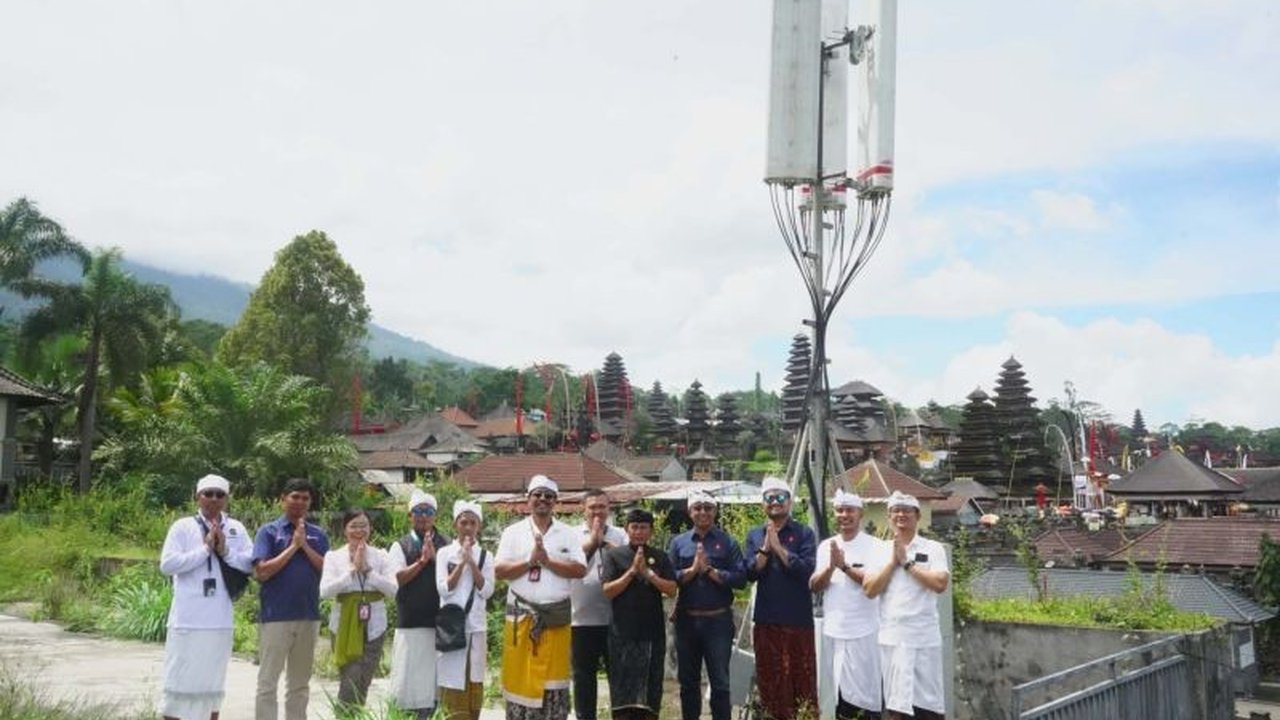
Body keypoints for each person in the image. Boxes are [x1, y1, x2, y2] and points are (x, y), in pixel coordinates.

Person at [158, 474, 253, 720]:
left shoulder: (236, 528)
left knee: (213, 684)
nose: (213, 498)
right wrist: (205, 550)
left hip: (219, 621)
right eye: (208, 493)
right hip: (187, 620)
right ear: (197, 497)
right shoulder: (183, 526)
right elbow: (167, 565)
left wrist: (225, 550)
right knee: (178, 680)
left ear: (226, 498)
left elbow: (250, 563)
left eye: (219, 494)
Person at [494, 475, 588, 720]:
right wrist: (530, 561)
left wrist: (547, 561)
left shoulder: (568, 533)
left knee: (553, 681)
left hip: (556, 619)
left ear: (556, 501)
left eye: (548, 495)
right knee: (520, 680)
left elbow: (580, 569)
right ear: (528, 499)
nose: (543, 499)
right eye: (537, 494)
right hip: (521, 620)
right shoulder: (513, 532)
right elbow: (499, 571)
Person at [863, 492, 950, 720]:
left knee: (929, 704)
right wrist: (892, 563)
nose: (901, 514)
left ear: (917, 516)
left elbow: (940, 584)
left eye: (907, 510)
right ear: (889, 516)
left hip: (923, 637)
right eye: (896, 510)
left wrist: (907, 563)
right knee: (897, 705)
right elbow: (869, 590)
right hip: (893, 637)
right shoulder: (879, 550)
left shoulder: (932, 548)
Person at [253, 477, 329, 720]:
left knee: (300, 684)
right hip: (276, 617)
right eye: (295, 496)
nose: (300, 502)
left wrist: (304, 546)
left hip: (308, 616)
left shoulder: (318, 535)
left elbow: (328, 571)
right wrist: (293, 547)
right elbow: (262, 572)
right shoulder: (268, 532)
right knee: (268, 682)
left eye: (305, 498)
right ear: (282, 499)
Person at [667, 490, 746, 720]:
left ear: (715, 511)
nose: (703, 512)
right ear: (690, 511)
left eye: (708, 508)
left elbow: (741, 578)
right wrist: (692, 571)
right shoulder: (678, 543)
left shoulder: (728, 542)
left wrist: (711, 571)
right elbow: (668, 577)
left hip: (718, 622)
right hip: (687, 622)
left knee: (720, 683)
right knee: (688, 683)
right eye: (698, 508)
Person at [745, 476, 818, 720]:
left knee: (802, 681)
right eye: (769, 497)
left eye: (780, 497)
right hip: (766, 620)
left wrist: (779, 548)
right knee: (770, 682)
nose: (774, 502)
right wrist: (766, 549)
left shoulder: (804, 533)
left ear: (789, 501)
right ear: (763, 503)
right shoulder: (755, 535)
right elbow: (750, 574)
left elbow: (806, 571)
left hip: (798, 620)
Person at [810, 490, 883, 720]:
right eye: (840, 510)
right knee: (838, 695)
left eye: (849, 510)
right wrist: (830, 567)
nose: (844, 515)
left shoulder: (876, 546)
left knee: (866, 695)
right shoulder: (826, 546)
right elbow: (815, 586)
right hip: (834, 630)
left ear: (860, 514)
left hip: (865, 631)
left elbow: (873, 584)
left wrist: (844, 567)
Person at [319, 509, 399, 714]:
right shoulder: (334, 557)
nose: (359, 530)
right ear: (345, 529)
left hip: (375, 625)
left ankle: (354, 715)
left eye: (363, 525)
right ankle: (345, 716)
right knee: (350, 677)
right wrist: (352, 570)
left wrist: (367, 570)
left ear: (370, 528)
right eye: (353, 526)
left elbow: (393, 590)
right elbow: (325, 591)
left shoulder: (381, 556)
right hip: (343, 625)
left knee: (364, 679)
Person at [601, 508, 678, 720]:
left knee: (650, 690)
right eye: (634, 527)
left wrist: (648, 573)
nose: (639, 532)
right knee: (622, 689)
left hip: (652, 633)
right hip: (622, 633)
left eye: (644, 528)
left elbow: (672, 590)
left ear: (651, 531)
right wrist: (633, 571)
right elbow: (607, 591)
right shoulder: (614, 556)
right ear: (627, 529)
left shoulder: (660, 556)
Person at [387, 490, 452, 719]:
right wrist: (422, 562)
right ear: (410, 515)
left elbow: (455, 579)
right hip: (411, 623)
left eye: (428, 511)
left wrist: (436, 559)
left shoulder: (447, 544)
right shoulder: (400, 546)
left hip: (441, 623)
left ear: (435, 516)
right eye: (418, 511)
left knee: (435, 683)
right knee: (409, 680)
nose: (423, 516)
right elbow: (397, 578)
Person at [569, 488, 627, 720]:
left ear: (609, 509)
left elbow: (629, 562)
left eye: (602, 507)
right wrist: (593, 541)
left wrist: (607, 545)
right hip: (580, 619)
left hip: (616, 619)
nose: (597, 512)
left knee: (619, 677)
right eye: (592, 507)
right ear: (583, 509)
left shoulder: (621, 534)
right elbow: (571, 564)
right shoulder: (572, 535)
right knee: (583, 678)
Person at [436, 500, 495, 720]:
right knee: (452, 679)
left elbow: (487, 591)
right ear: (455, 525)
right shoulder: (444, 553)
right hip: (451, 627)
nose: (468, 527)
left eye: (473, 522)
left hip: (476, 626)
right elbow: (444, 589)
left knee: (474, 679)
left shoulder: (486, 556)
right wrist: (461, 562)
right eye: (463, 522)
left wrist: (472, 562)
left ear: (479, 526)